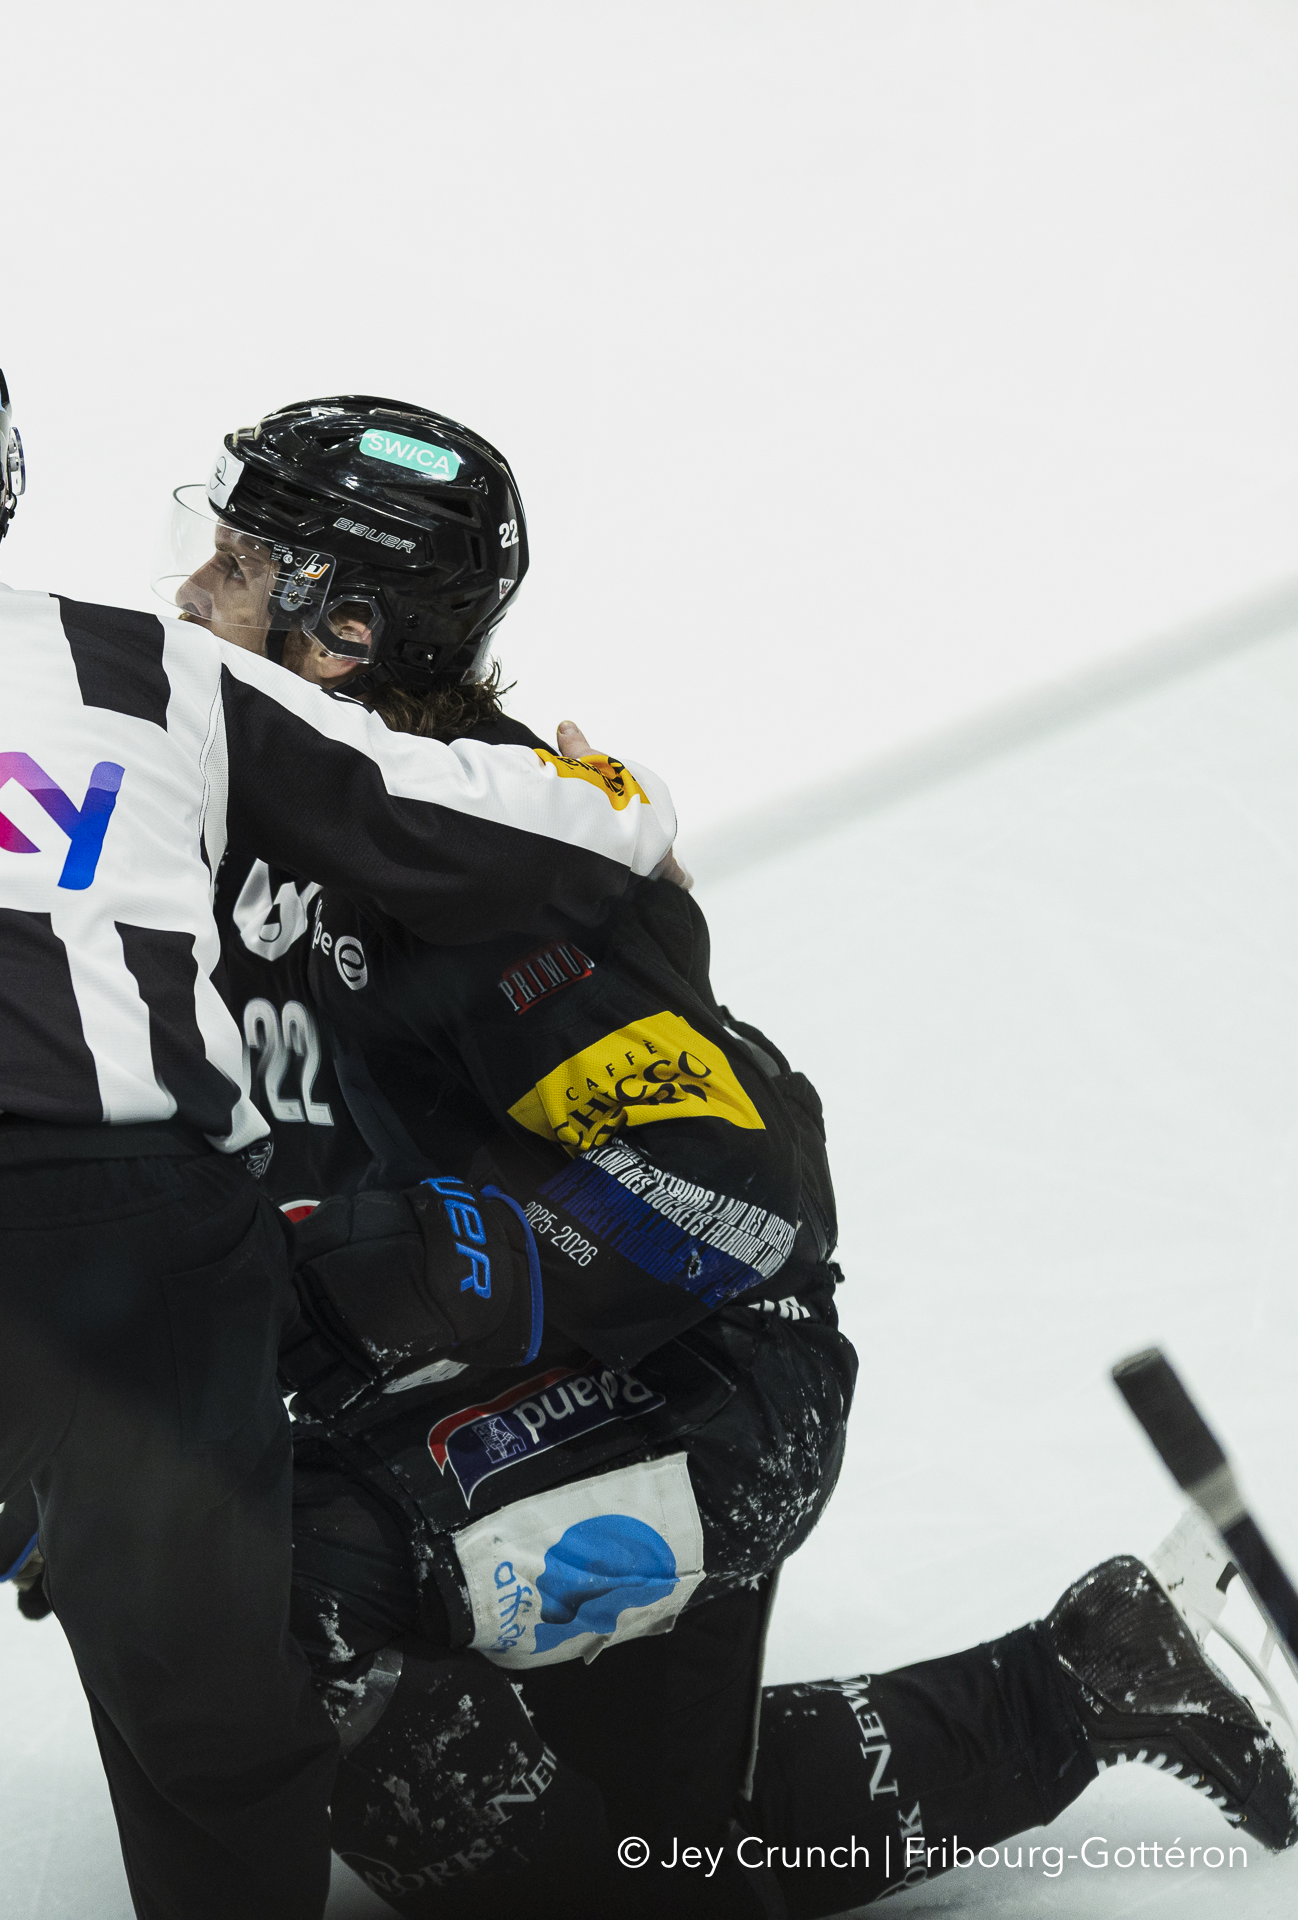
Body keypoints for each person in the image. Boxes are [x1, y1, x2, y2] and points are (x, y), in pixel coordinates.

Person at [0, 311, 685, 1920]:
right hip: (177, 1268)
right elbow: (441, 821)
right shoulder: (147, 667)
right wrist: (615, 807)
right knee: (219, 1755)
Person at [113, 394, 1294, 1914]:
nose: (188, 596)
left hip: (706, 1388)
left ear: (344, 629)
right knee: (665, 1839)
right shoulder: (304, 816)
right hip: (497, 1380)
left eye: (231, 568)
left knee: (277, 1594)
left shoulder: (492, 870)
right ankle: (1098, 1673)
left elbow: (732, 1198)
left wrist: (372, 1269)